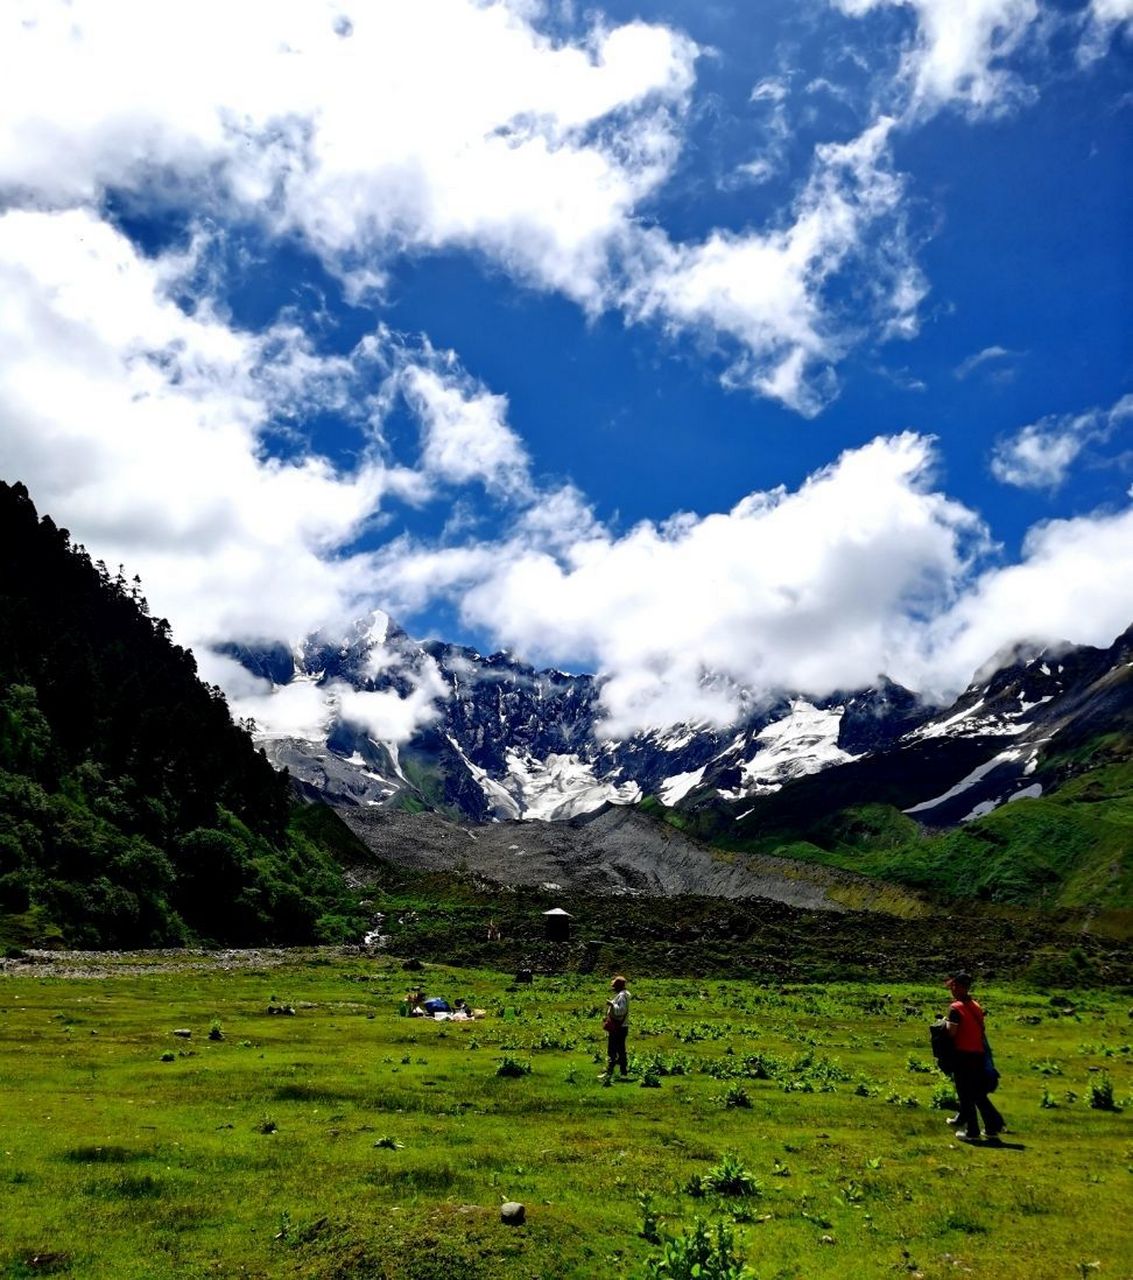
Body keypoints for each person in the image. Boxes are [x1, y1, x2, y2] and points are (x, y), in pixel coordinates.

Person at [945, 971, 1005, 1142]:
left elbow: (951, 1033)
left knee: (965, 1094)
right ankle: (992, 1128)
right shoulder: (976, 1006)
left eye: (953, 986)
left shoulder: (955, 1008)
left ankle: (972, 1132)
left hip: (963, 1055)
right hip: (978, 1055)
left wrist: (944, 1024)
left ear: (958, 986)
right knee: (977, 1093)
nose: (952, 989)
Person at [600, 975, 631, 1081]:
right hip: (622, 1027)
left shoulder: (622, 996)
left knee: (612, 1049)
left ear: (618, 986)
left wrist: (612, 1003)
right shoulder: (624, 995)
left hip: (618, 1027)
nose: (613, 988)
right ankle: (623, 1072)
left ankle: (610, 1072)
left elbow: (620, 1011)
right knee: (620, 1050)